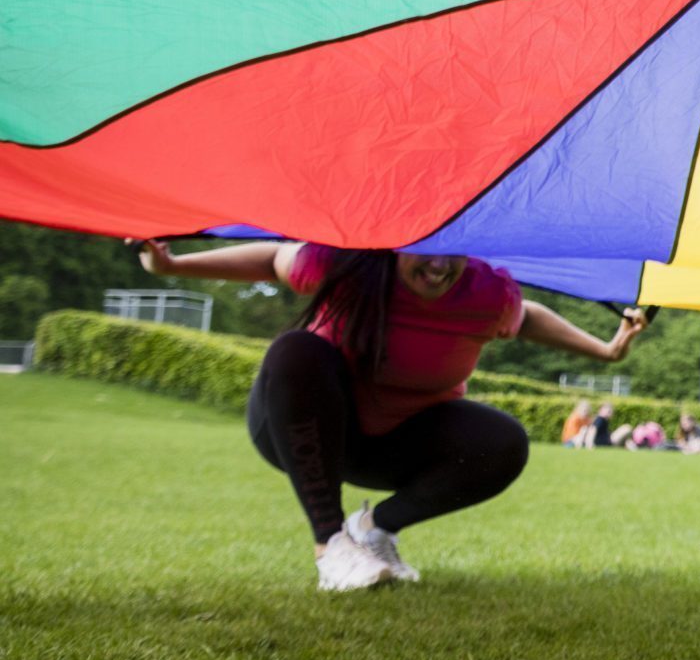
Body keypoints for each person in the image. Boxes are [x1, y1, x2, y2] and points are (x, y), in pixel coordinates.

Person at [135, 238, 647, 591]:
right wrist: (172, 266)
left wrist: (606, 351)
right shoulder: (343, 262)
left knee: (504, 440)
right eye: (424, 248)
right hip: (305, 431)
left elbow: (526, 316)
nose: (440, 265)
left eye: (455, 251)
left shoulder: (486, 292)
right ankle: (330, 546)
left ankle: (374, 530)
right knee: (296, 349)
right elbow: (273, 260)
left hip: (396, 446)